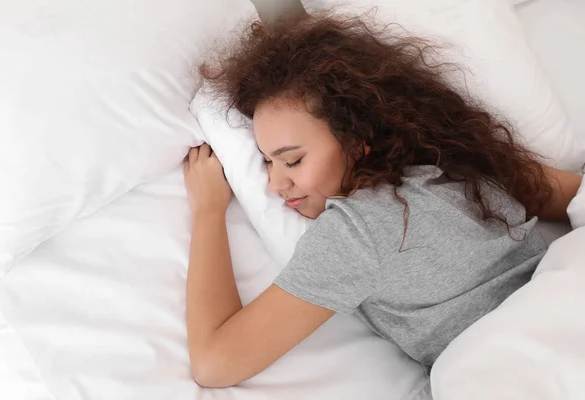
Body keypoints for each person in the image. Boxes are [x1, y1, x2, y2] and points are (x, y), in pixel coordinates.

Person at [183, 13, 582, 388]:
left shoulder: (356, 231)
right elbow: (574, 193)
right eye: (267, 162)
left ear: (355, 138)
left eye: (293, 160)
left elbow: (215, 363)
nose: (274, 182)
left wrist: (207, 210)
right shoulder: (458, 157)